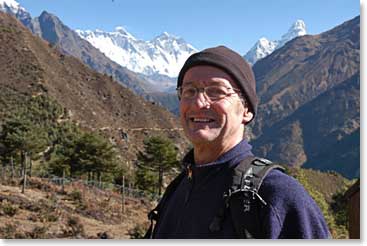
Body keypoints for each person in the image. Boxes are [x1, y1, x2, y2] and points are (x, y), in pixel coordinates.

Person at [147, 46, 331, 239]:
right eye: (189, 91)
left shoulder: (277, 195)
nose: (198, 103)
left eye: (216, 91)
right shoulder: (180, 186)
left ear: (247, 110)